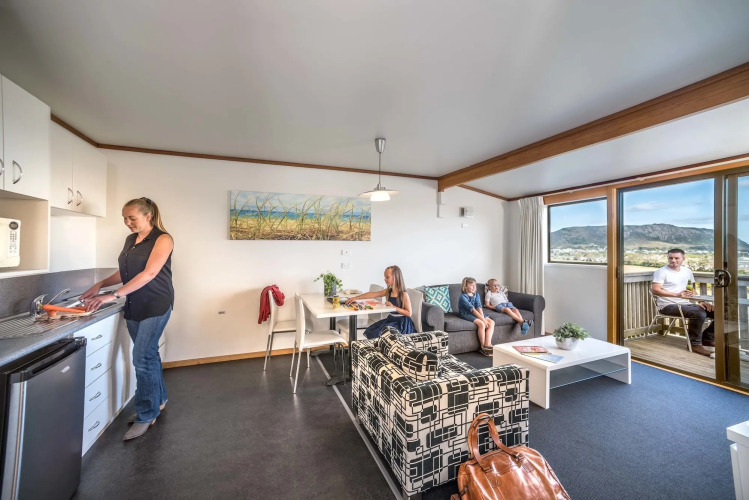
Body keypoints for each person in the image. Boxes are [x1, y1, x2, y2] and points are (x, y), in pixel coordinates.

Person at [81, 197, 174, 440]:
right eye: (124, 218)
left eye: (132, 218)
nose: (127, 222)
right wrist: (101, 284)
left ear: (148, 216)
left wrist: (113, 295)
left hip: (156, 304)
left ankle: (146, 414)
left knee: (142, 358)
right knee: (149, 355)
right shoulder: (131, 240)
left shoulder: (163, 239)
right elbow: (126, 272)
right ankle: (159, 400)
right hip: (134, 303)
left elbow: (149, 273)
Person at [651, 248, 714, 357]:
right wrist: (677, 295)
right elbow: (655, 290)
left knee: (718, 312)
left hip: (686, 304)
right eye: (670, 258)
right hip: (667, 305)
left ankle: (707, 338)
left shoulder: (687, 271)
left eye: (676, 258)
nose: (673, 260)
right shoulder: (661, 272)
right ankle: (695, 344)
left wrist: (701, 301)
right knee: (699, 313)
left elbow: (691, 289)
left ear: (683, 259)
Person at [344, 265, 415, 339]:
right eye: (385, 277)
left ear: (395, 277)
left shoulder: (403, 294)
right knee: (371, 330)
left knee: (380, 334)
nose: (385, 279)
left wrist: (393, 307)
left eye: (387, 277)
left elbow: (409, 313)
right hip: (391, 319)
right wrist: (356, 298)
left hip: (401, 323)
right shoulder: (388, 291)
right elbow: (372, 294)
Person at [459, 277, 496, 356]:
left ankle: (488, 344)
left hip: (477, 313)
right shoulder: (463, 297)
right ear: (465, 286)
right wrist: (483, 320)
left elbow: (479, 307)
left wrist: (483, 317)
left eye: (475, 285)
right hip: (467, 313)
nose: (474, 287)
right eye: (471, 285)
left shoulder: (476, 294)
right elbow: (472, 309)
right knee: (481, 324)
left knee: (492, 322)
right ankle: (482, 347)